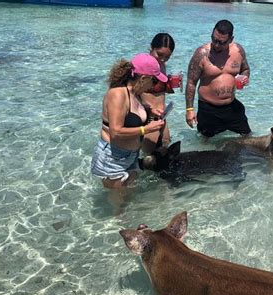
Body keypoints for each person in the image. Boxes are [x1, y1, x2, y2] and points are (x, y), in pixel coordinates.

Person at [91, 53, 167, 189]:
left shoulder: (135, 93)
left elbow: (131, 114)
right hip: (113, 158)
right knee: (118, 204)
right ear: (143, 78)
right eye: (154, 81)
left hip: (130, 156)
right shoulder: (118, 94)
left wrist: (150, 111)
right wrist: (147, 129)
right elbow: (116, 131)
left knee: (128, 199)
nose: (154, 86)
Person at [185, 19, 251, 138]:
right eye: (214, 40)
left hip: (231, 106)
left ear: (231, 39)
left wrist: (245, 77)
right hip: (208, 110)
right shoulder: (202, 53)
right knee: (205, 145)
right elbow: (191, 82)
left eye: (222, 42)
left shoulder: (238, 51)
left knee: (247, 137)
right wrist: (189, 109)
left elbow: (245, 69)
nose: (216, 45)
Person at [141, 33, 176, 154]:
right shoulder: (143, 66)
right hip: (148, 119)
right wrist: (149, 109)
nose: (162, 59)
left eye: (167, 57)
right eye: (159, 54)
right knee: (148, 159)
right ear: (151, 47)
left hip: (162, 117)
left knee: (165, 152)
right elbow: (131, 95)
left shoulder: (161, 65)